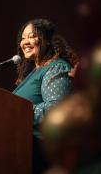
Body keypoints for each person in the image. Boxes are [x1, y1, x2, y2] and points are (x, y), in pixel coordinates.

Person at [12, 18, 79, 174]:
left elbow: (55, 109)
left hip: (40, 151)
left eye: (32, 36)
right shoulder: (34, 72)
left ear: (47, 41)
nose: (25, 42)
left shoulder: (56, 68)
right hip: (23, 147)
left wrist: (15, 112)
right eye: (23, 38)